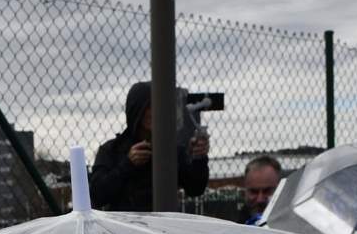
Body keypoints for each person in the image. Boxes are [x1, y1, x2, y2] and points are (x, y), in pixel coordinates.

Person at [89, 82, 210, 212]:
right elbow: (96, 196)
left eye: (157, 105)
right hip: (123, 227)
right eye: (147, 106)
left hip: (163, 226)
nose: (152, 112)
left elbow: (195, 188)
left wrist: (198, 158)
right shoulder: (112, 150)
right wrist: (127, 164)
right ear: (135, 109)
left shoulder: (171, 149)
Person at [240, 155, 282, 224]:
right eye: (254, 192)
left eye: (267, 191)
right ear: (245, 191)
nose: (260, 199)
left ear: (280, 188)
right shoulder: (236, 226)